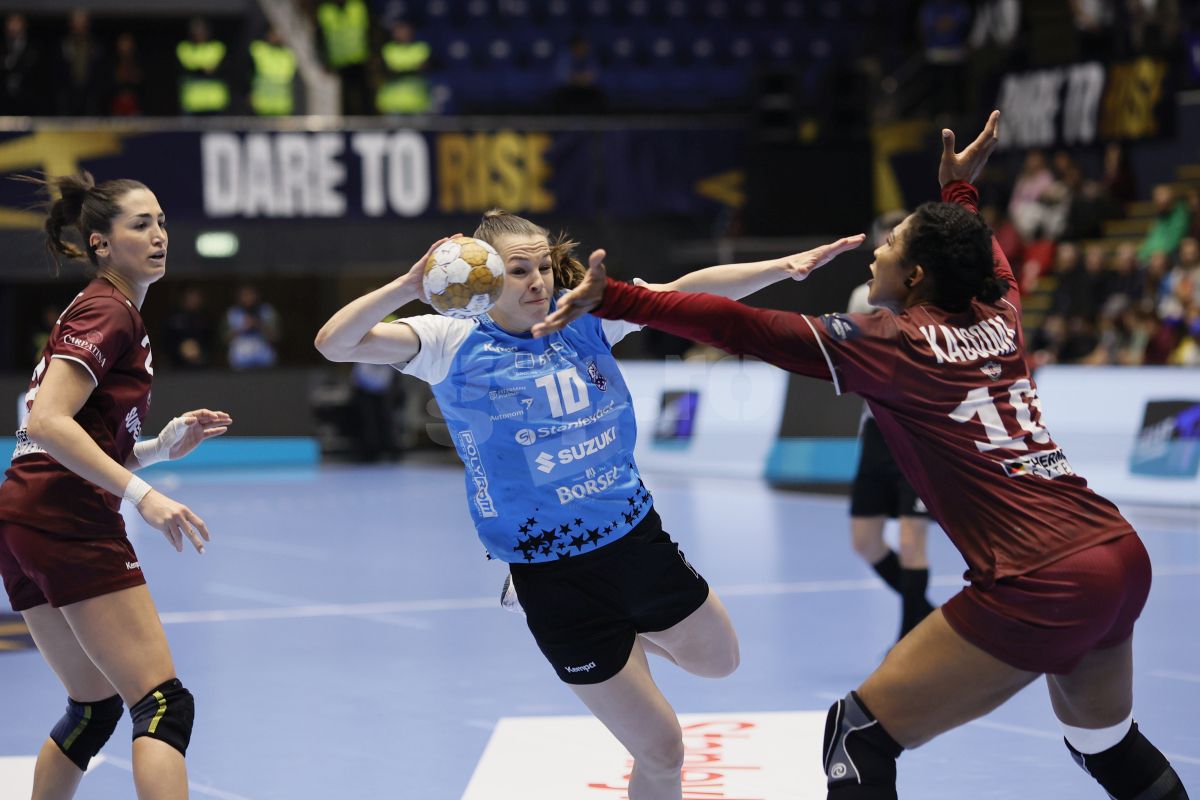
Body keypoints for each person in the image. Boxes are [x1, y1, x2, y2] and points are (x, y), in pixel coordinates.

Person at [534, 111, 1188, 800]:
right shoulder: (1002, 310)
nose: (876, 252)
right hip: (1117, 553)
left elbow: (745, 327)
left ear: (915, 276)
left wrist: (620, 298)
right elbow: (978, 253)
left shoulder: (891, 341)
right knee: (1104, 744)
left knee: (858, 734)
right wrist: (958, 192)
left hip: (1042, 575)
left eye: (891, 245)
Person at [314, 212, 849, 799]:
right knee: (663, 749)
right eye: (519, 270)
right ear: (485, 276)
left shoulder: (586, 314)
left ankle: (618, 637)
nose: (538, 281)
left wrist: (783, 267)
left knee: (719, 661)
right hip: (551, 574)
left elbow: (687, 293)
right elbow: (335, 343)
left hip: (635, 538)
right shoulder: (449, 340)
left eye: (544, 266)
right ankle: (588, 632)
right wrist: (408, 286)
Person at [0, 172, 232, 799]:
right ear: (100, 243)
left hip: (24, 516)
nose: (159, 236)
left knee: (93, 708)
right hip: (65, 516)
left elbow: (72, 437)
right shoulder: (108, 309)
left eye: (162, 222)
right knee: (163, 705)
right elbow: (47, 423)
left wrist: (157, 450)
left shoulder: (107, 309)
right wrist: (144, 495)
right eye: (140, 224)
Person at [846, 211, 934, 642]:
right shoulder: (862, 296)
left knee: (912, 537)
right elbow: (856, 355)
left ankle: (909, 643)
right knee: (865, 540)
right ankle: (931, 619)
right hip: (878, 428)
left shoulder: (933, 296)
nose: (881, 251)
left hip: (919, 434)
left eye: (893, 242)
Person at [223, 284, 280, 369]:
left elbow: (276, 336)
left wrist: (259, 325)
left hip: (264, 359)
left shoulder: (267, 311)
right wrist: (242, 327)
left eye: (251, 295)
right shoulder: (232, 313)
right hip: (240, 361)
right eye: (245, 295)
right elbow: (224, 340)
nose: (249, 298)